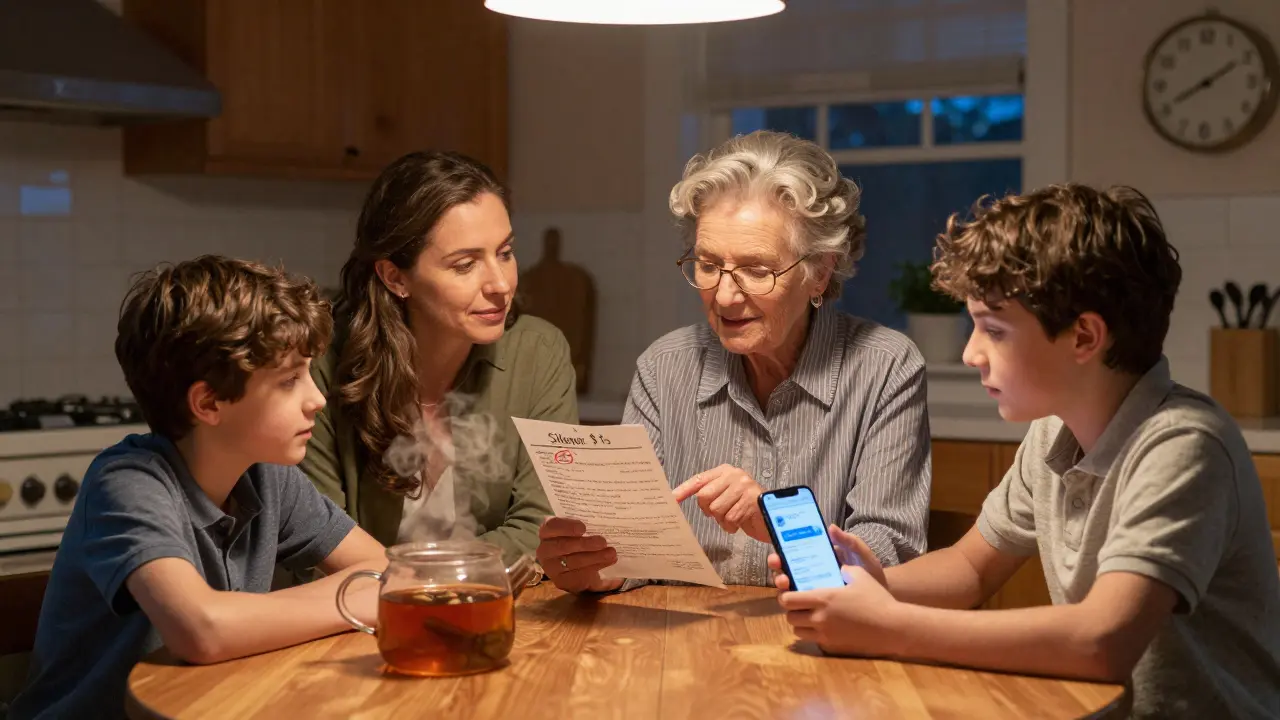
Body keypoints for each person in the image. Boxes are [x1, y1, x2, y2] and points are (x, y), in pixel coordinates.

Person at [770, 184, 1280, 718]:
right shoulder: (1054, 432)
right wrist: (875, 586)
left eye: (993, 330)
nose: (970, 353)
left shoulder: (1183, 445)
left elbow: (1101, 641)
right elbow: (970, 569)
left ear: (1084, 337)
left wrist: (888, 626)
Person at [537, 130, 932, 593]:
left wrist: (781, 523)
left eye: (756, 270)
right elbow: (635, 551)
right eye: (707, 264)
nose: (724, 295)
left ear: (819, 272)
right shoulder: (664, 367)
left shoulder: (885, 366)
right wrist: (592, 569)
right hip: (679, 642)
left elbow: (890, 554)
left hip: (817, 639)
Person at [10, 256, 386, 720]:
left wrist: (369, 588)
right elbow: (201, 628)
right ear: (209, 402)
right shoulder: (128, 484)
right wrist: (356, 597)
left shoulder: (269, 477)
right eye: (290, 380)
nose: (317, 399)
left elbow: (380, 569)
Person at [301, 151, 577, 563]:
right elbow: (314, 540)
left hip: (494, 610)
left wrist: (422, 578)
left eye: (505, 253)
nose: (501, 284)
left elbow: (541, 529)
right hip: (353, 621)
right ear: (395, 277)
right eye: (465, 265)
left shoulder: (537, 354)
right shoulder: (320, 366)